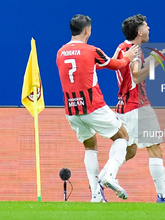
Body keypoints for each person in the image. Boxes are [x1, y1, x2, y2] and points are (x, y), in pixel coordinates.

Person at [97, 14, 165, 203]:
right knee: (155, 148)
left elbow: (123, 70)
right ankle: (162, 196)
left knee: (129, 151)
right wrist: (153, 63)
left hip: (123, 106)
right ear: (139, 32)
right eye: (146, 26)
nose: (149, 28)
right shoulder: (135, 50)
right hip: (139, 106)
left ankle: (100, 182)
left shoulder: (122, 47)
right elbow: (136, 77)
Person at [56, 14, 139, 202]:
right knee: (122, 137)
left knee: (90, 147)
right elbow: (115, 64)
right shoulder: (92, 50)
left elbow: (84, 68)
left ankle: (95, 195)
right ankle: (110, 175)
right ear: (87, 30)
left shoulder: (60, 52)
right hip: (93, 106)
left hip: (71, 110)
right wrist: (127, 57)